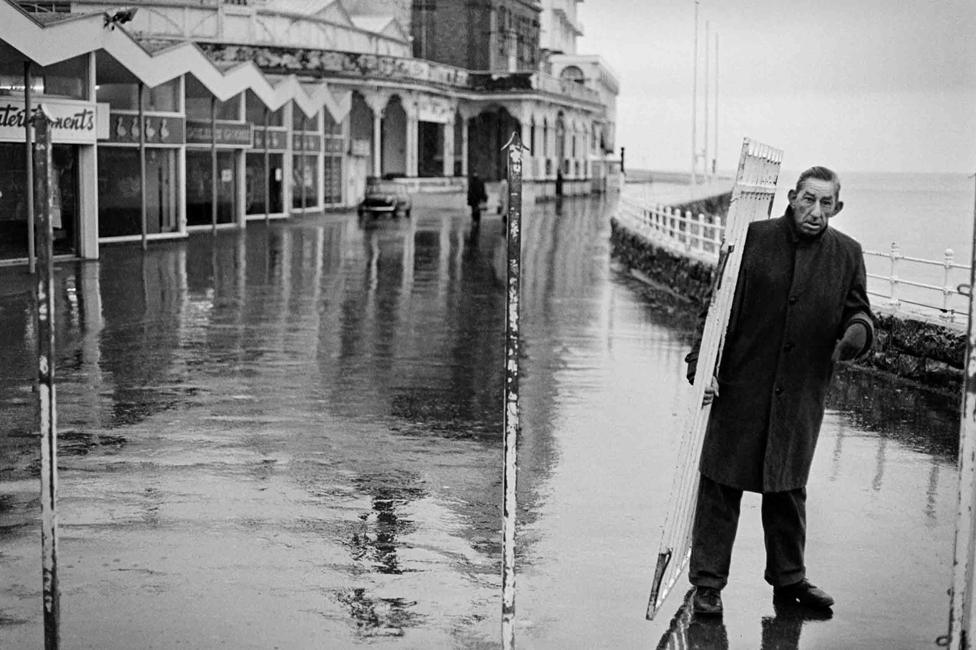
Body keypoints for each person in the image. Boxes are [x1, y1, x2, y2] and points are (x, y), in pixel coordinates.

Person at [684, 166, 875, 616]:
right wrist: (701, 364)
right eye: (808, 199)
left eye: (826, 203)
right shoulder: (753, 239)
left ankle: (789, 582)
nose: (815, 211)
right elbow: (715, 307)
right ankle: (707, 584)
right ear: (792, 196)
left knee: (787, 488)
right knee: (721, 486)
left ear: (837, 208)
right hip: (741, 385)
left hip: (801, 392)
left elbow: (861, 314)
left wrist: (856, 334)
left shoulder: (847, 254)